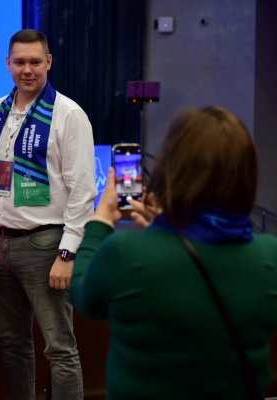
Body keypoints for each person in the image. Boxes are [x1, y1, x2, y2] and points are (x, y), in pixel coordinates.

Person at [70, 105, 277, 399]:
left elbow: (83, 297)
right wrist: (168, 231)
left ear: (172, 168)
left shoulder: (125, 252)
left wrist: (100, 222)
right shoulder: (270, 256)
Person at [0, 29, 97, 400]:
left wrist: (67, 253)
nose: (27, 70)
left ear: (49, 62)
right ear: (8, 64)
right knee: (12, 343)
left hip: (45, 245)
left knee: (59, 347)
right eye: (20, 62)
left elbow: (83, 191)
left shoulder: (69, 115)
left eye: (35, 62)